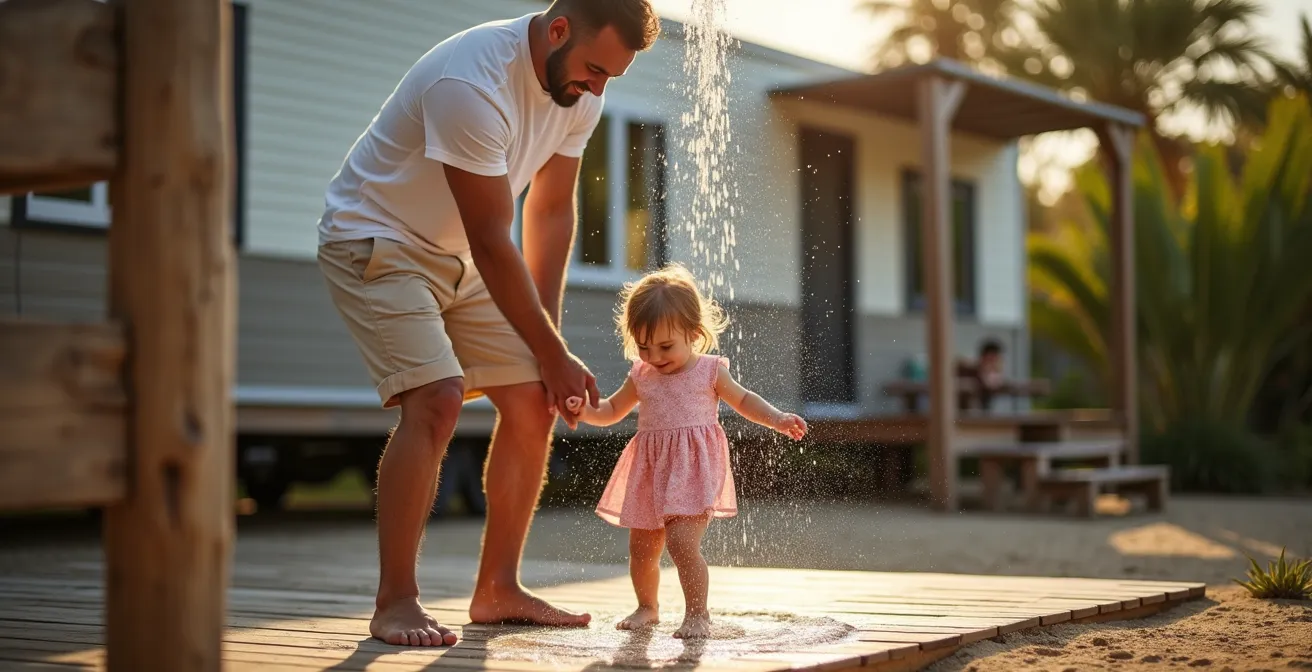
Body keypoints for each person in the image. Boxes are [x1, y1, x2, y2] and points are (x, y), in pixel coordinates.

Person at [314, 0, 662, 648]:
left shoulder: (578, 91)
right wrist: (551, 352)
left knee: (533, 397)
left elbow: (552, 212)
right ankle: (396, 601)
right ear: (558, 30)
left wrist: (549, 351)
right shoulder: (469, 83)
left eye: (611, 77)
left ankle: (498, 588)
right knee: (436, 399)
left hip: (462, 255)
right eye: (593, 70)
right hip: (377, 239)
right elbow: (493, 236)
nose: (597, 90)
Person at [563, 264, 808, 638]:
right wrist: (585, 410)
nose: (654, 356)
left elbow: (742, 400)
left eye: (665, 346)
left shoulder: (709, 371)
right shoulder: (641, 375)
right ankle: (648, 607)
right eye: (643, 347)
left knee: (680, 544)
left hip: (693, 470)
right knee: (641, 549)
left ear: (694, 334)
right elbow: (612, 410)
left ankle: (698, 614)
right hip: (650, 469)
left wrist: (775, 418)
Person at [956, 339, 1005, 410]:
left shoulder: (992, 373)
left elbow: (994, 384)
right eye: (991, 359)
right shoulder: (971, 370)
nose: (993, 363)